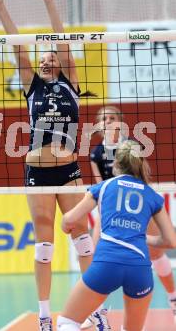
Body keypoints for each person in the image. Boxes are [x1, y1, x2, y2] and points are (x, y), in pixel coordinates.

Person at [0, 0, 109, 331]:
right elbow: (18, 46)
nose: (49, 59)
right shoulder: (32, 85)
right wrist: (1, 6)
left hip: (68, 171)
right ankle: (43, 315)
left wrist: (49, 1)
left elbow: (65, 42)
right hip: (37, 171)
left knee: (82, 237)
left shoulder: (71, 83)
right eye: (45, 57)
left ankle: (96, 311)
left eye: (54, 56)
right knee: (44, 244)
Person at [57, 140, 176, 331]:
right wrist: (144, 238)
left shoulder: (103, 187)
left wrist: (65, 226)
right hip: (139, 269)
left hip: (107, 264)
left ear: (116, 164)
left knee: (67, 322)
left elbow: (69, 219)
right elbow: (171, 241)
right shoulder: (152, 195)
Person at [87, 106, 176, 326]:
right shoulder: (96, 153)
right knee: (95, 254)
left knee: (156, 253)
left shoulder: (130, 146)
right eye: (103, 119)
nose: (107, 122)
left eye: (112, 118)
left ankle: (173, 298)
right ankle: (97, 312)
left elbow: (142, 173)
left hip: (136, 202)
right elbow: (99, 187)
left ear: (120, 122)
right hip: (110, 205)